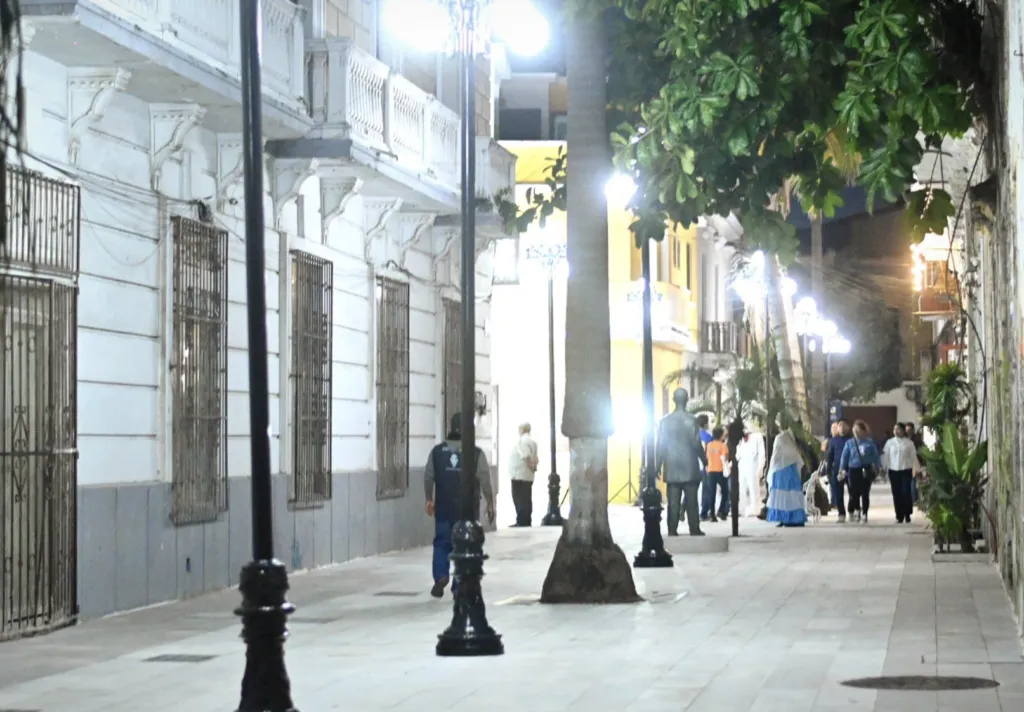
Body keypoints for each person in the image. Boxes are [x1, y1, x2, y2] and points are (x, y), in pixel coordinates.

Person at [424, 413, 495, 598]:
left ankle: (440, 578)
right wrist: (490, 502)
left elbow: (428, 475)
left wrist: (428, 499)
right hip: (467, 510)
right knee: (465, 546)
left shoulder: (437, 452)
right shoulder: (475, 453)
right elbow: (485, 480)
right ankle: (459, 586)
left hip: (444, 507)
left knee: (441, 543)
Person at [656, 388, 708, 536]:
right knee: (691, 501)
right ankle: (694, 528)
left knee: (673, 501)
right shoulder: (691, 420)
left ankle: (672, 530)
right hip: (689, 466)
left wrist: (657, 465)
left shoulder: (664, 422)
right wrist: (704, 459)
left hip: (672, 466)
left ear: (673, 400)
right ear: (686, 401)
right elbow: (696, 443)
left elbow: (661, 445)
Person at [839, 419, 881, 524]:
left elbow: (875, 456)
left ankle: (865, 513)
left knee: (865, 492)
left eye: (858, 430)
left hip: (865, 469)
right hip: (853, 469)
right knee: (854, 492)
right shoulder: (849, 443)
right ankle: (857, 509)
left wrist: (878, 467)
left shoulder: (869, 442)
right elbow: (844, 457)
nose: (856, 432)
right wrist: (842, 469)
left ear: (863, 431)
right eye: (854, 430)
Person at [765, 423, 807, 527]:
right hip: (788, 470)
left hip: (780, 470)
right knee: (791, 496)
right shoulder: (787, 438)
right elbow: (793, 455)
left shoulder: (781, 438)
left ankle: (785, 519)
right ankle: (792, 519)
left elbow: (776, 455)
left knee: (783, 497)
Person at [882, 422, 918, 523]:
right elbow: (886, 457)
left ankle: (907, 514)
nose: (896, 431)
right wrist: (883, 468)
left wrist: (918, 470)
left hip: (906, 470)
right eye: (894, 429)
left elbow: (914, 457)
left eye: (898, 429)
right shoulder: (890, 442)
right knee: (896, 494)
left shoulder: (909, 443)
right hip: (894, 471)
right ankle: (899, 515)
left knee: (906, 492)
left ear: (903, 430)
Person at [508, 422, 539, 527]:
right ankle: (525, 520)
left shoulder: (523, 441)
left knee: (519, 498)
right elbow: (536, 458)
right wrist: (534, 468)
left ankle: (522, 522)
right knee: (526, 499)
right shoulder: (533, 442)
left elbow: (525, 456)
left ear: (521, 430)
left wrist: (530, 466)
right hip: (527, 476)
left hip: (519, 475)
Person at [825, 419, 852, 523]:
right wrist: (828, 470)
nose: (842, 427)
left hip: (851, 469)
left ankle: (851, 510)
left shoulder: (852, 440)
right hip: (837, 469)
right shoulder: (834, 440)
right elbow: (830, 456)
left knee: (853, 492)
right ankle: (841, 513)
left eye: (844, 425)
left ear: (848, 427)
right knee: (838, 493)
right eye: (840, 425)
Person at [736, 425, 766, 516]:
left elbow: (761, 453)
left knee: (754, 487)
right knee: (741, 488)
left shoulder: (757, 437)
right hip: (742, 464)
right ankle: (741, 508)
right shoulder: (739, 438)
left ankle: (755, 507)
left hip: (753, 464)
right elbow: (738, 452)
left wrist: (761, 467)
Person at [706, 426, 730, 521]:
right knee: (725, 491)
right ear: (721, 435)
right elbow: (726, 458)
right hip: (720, 471)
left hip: (711, 471)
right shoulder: (723, 445)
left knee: (712, 493)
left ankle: (712, 515)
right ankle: (721, 511)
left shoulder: (709, 445)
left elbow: (707, 457)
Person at [696, 414, 714, 521]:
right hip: (705, 466)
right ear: (705, 423)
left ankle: (684, 509)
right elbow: (710, 453)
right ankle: (703, 513)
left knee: (692, 489)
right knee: (707, 489)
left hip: (694, 466)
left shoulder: (693, 435)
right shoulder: (708, 437)